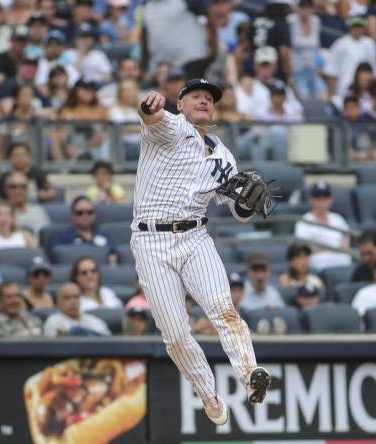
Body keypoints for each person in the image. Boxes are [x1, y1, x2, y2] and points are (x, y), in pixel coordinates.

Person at [133, 79, 271, 423]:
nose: (204, 101)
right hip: (152, 242)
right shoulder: (173, 128)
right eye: (196, 96)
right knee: (176, 336)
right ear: (180, 105)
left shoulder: (224, 156)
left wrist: (250, 204)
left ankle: (250, 373)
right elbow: (152, 116)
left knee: (224, 310)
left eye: (210, 98)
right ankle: (209, 395)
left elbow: (239, 212)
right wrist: (150, 105)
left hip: (195, 237)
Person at [294, 181, 353, 271]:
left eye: (325, 197)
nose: (321, 201)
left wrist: (322, 247)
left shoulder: (338, 218)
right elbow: (305, 249)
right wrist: (333, 248)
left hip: (343, 263)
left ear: (331, 199)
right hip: (319, 265)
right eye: (317, 197)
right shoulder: (304, 221)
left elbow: (346, 239)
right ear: (311, 199)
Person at [323, 16, 376, 102]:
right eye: (355, 27)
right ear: (350, 28)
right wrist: (331, 94)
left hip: (365, 90)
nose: (357, 29)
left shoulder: (370, 44)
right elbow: (331, 70)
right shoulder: (340, 43)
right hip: (344, 87)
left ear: (364, 28)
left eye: (359, 27)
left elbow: (374, 69)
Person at [54, 196, 117, 261]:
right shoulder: (64, 237)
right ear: (72, 215)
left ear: (95, 214)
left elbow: (113, 255)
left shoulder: (104, 234)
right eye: (80, 213)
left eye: (90, 212)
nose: (85, 216)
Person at [43, 282, 111, 336]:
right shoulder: (53, 321)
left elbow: (109, 345)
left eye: (76, 297)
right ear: (58, 301)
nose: (73, 301)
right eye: (67, 297)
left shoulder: (95, 321)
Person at [1, 171, 51, 237]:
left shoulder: (38, 211)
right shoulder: (0, 213)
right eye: (13, 187)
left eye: (23, 187)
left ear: (27, 190)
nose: (18, 191)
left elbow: (47, 237)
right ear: (6, 190)